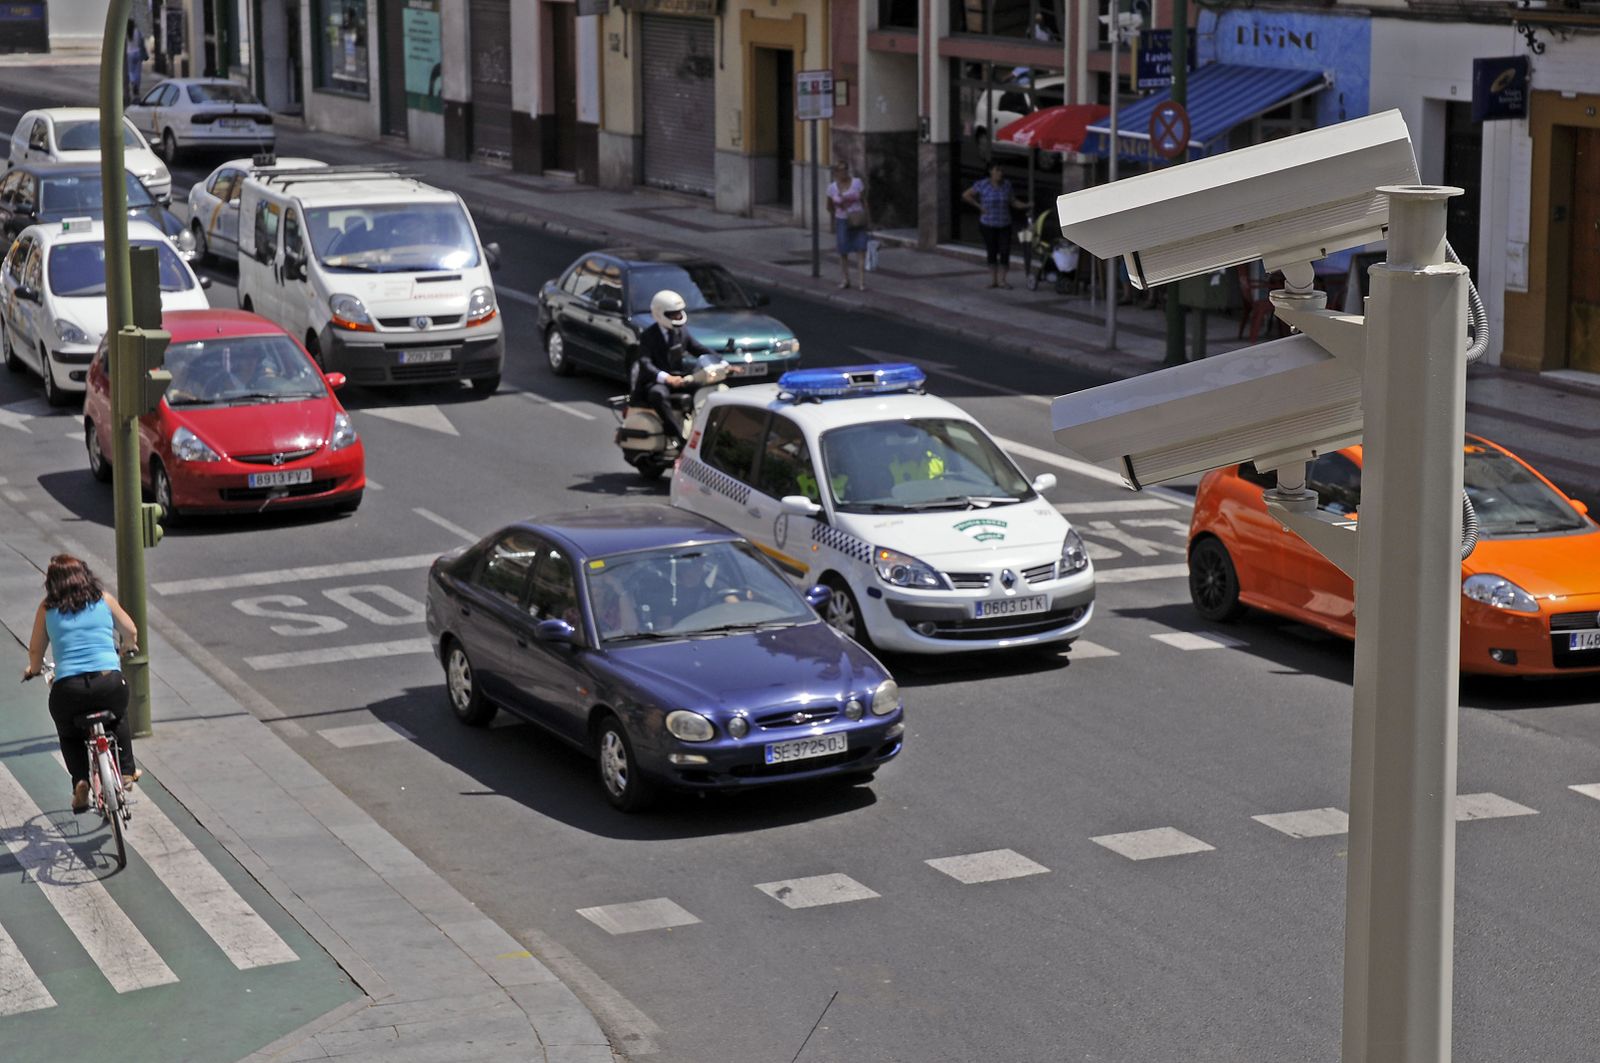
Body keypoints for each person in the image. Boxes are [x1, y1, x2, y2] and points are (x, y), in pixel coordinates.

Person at [22, 555, 140, 813]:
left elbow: (35, 651)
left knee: (69, 733)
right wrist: (128, 648)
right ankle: (128, 771)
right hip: (108, 683)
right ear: (85, 575)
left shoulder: (47, 608)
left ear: (51, 582)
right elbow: (130, 630)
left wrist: (33, 669)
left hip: (69, 690)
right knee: (118, 716)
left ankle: (81, 781)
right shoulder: (103, 599)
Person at [632, 290, 712, 448]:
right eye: (672, 314)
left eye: (678, 313)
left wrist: (723, 362)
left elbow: (698, 348)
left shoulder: (681, 331)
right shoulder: (649, 336)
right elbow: (645, 364)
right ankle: (678, 438)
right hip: (656, 382)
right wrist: (665, 378)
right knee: (658, 395)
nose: (677, 317)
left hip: (678, 378)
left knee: (704, 389)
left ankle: (699, 431)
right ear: (660, 314)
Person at [963, 162, 1029, 289]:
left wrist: (1026, 205)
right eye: (997, 170)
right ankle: (993, 280)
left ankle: (1002, 280)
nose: (1000, 173)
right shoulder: (982, 185)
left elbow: (1013, 201)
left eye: (1001, 170)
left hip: (1004, 223)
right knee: (992, 251)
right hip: (988, 223)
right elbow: (966, 195)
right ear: (990, 172)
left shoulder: (1007, 185)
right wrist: (979, 207)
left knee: (1005, 251)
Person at [826, 162, 870, 292]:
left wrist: (868, 217)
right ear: (835, 173)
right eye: (840, 170)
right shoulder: (832, 188)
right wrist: (838, 211)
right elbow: (828, 206)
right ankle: (845, 279)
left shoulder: (857, 183)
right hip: (842, 220)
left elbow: (864, 200)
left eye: (845, 169)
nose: (843, 172)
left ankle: (861, 282)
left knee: (861, 249)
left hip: (858, 219)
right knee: (843, 251)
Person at [125, 19, 148, 103]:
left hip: (130, 53)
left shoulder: (127, 32)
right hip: (138, 52)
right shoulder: (137, 31)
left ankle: (132, 81)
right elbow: (142, 42)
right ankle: (136, 86)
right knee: (138, 71)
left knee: (131, 71)